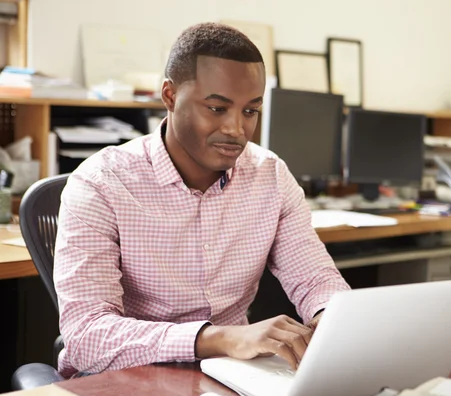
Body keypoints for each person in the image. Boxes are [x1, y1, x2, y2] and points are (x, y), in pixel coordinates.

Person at [54, 22, 350, 378]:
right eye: (216, 108)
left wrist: (329, 320)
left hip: (233, 375)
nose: (236, 129)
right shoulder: (101, 183)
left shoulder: (270, 177)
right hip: (127, 378)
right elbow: (87, 338)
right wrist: (218, 338)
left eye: (250, 111)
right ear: (169, 96)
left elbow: (315, 279)